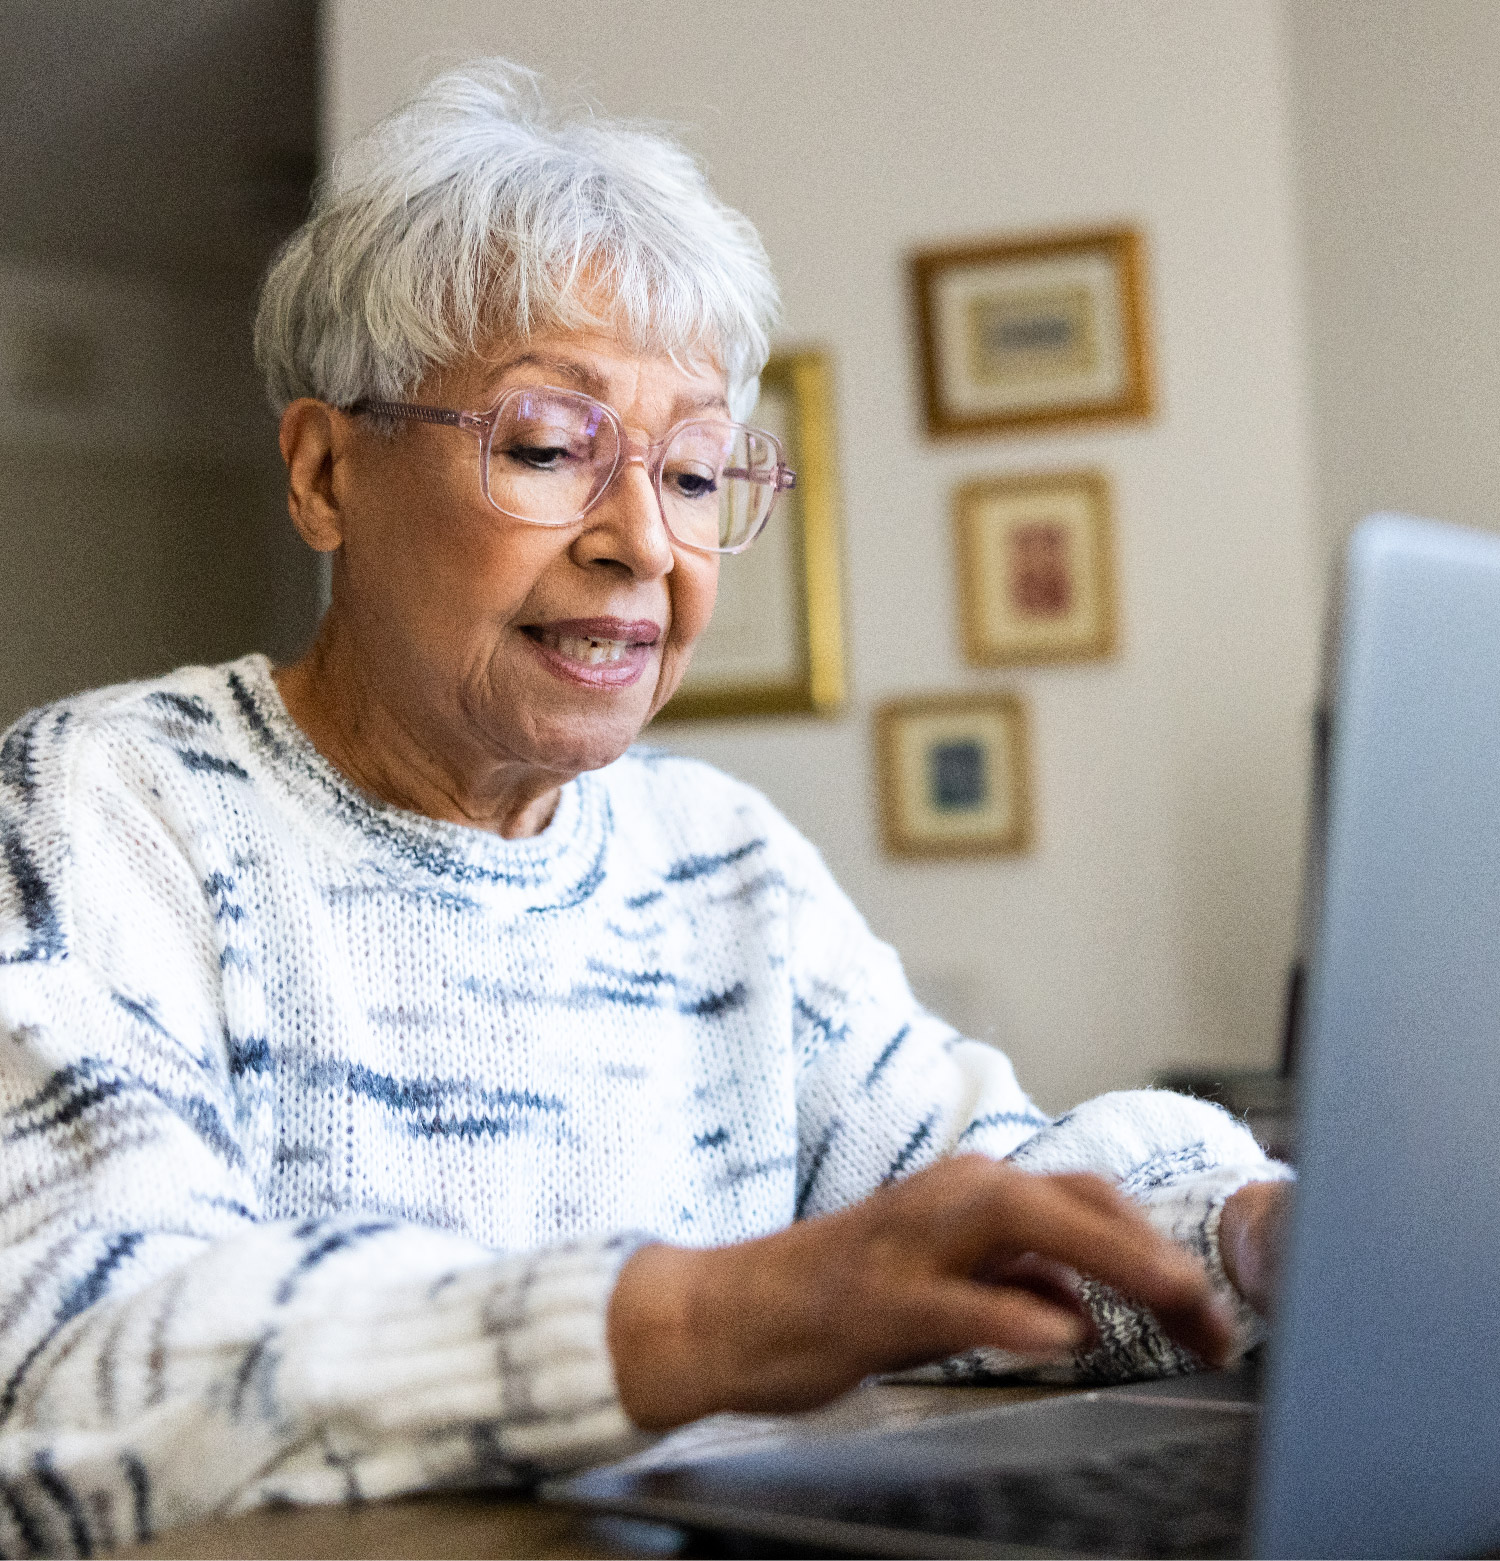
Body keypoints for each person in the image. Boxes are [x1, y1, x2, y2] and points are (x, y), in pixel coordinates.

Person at [0, 59, 1289, 1556]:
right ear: (325, 470)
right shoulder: (106, 809)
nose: (642, 545)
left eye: (690, 473)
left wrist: (1252, 1230)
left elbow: (985, 1188)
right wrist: (699, 1315)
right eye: (546, 449)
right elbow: (81, 1351)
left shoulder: (719, 858)